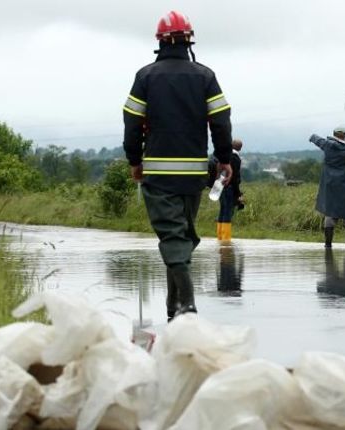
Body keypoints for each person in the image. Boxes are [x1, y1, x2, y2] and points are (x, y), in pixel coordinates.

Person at [122, 10, 233, 321]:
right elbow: (221, 121)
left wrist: (134, 159)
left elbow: (132, 122)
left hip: (157, 175)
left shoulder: (145, 77)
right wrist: (224, 158)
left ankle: (187, 307)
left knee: (174, 239)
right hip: (194, 176)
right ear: (189, 41)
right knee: (182, 239)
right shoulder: (205, 76)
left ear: (160, 42)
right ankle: (174, 310)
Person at [309, 126, 345, 248]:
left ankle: (328, 245)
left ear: (334, 134)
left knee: (330, 213)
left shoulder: (327, 145)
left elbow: (316, 139)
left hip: (330, 186)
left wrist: (312, 137)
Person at [215, 139, 243, 243]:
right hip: (229, 187)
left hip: (220, 186)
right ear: (240, 148)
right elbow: (234, 176)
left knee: (222, 210)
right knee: (228, 211)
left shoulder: (224, 156)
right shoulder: (235, 158)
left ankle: (220, 237)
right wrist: (238, 193)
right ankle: (226, 239)